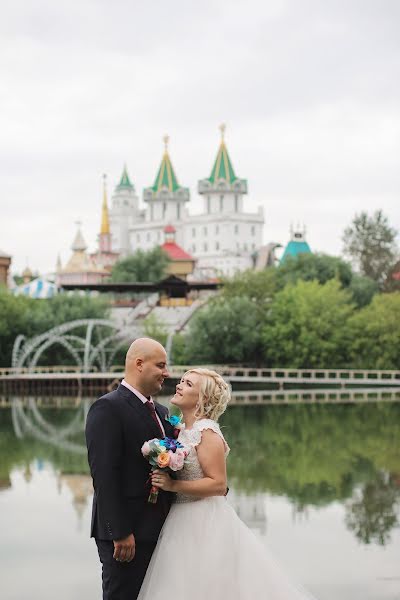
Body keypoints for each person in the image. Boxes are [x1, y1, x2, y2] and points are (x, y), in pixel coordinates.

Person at [137, 368, 317, 600]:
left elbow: (218, 485)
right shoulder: (182, 431)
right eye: (181, 381)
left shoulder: (207, 432)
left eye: (188, 384)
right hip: (180, 517)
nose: (179, 385)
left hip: (203, 519)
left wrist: (173, 486)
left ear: (202, 398)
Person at [85, 338, 175, 600]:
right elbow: (104, 474)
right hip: (127, 535)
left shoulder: (161, 411)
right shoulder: (108, 407)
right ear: (139, 364)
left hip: (160, 530)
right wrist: (121, 532)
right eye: (160, 365)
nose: (166, 373)